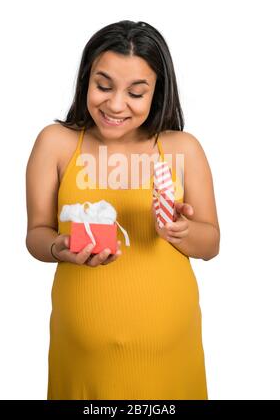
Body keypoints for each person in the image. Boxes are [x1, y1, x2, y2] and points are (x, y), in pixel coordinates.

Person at [25, 20, 220, 400]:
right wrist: (56, 248)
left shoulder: (183, 148)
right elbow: (36, 232)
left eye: (136, 92)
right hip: (81, 358)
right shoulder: (56, 143)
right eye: (103, 86)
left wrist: (182, 230)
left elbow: (211, 242)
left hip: (169, 354)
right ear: (85, 80)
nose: (115, 104)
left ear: (157, 94)